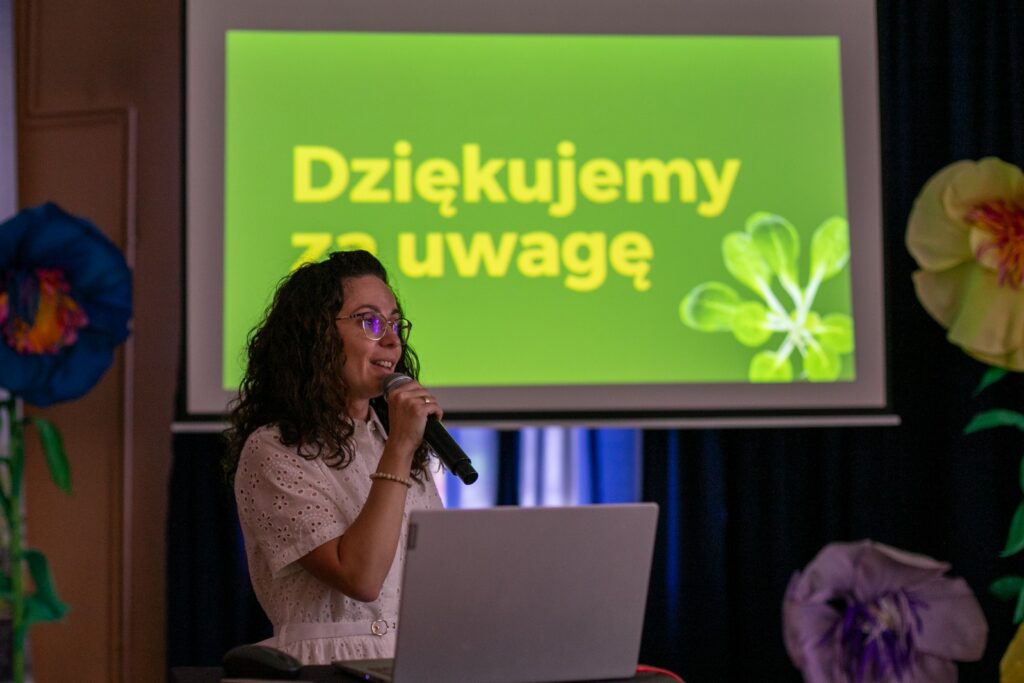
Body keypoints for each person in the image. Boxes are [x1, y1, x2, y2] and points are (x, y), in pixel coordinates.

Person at [223, 250, 444, 664]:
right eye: (370, 322)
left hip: (414, 659)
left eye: (395, 323)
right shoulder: (274, 449)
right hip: (327, 665)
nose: (392, 340)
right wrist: (400, 447)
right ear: (317, 336)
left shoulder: (390, 441)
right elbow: (360, 578)